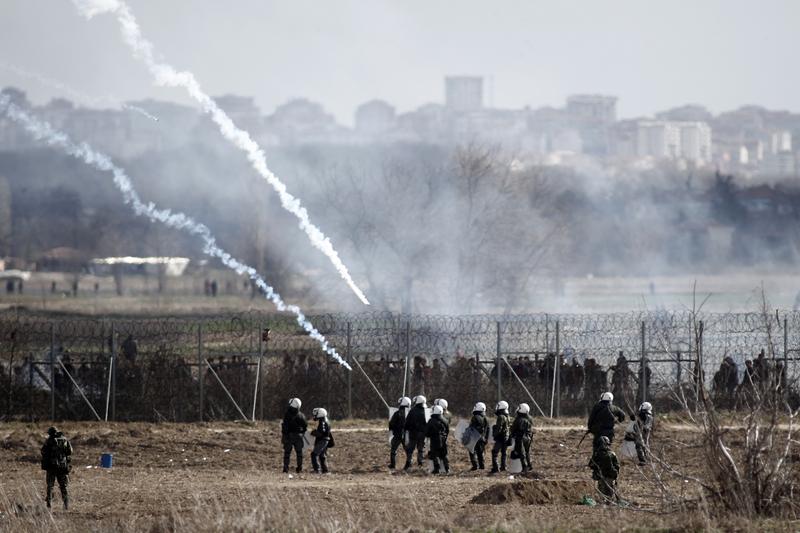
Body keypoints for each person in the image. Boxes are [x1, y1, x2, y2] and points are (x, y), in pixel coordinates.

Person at [41, 426, 72, 510]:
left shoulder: (49, 441)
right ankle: (66, 505)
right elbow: (70, 452)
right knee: (63, 486)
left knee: (50, 486)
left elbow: (43, 451)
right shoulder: (65, 440)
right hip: (62, 466)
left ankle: (49, 504)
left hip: (52, 467)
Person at [588, 435, 620, 502]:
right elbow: (591, 464)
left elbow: (616, 466)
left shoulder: (609, 454)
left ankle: (607, 502)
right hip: (603, 476)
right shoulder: (599, 454)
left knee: (607, 493)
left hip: (608, 476)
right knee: (604, 493)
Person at [281, 398, 307, 473]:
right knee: (299, 453)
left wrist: (284, 434)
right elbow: (305, 426)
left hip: (289, 436)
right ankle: (299, 468)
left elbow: (285, 426)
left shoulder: (287, 414)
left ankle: (286, 469)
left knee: (287, 453)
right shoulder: (301, 415)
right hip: (299, 436)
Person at [403, 395, 428, 470]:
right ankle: (420, 463)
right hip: (423, 434)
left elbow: (407, 423)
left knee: (410, 449)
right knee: (421, 449)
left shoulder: (412, 411)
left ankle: (408, 464)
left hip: (413, 434)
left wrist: (406, 429)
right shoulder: (427, 411)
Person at [425, 405, 449, 474]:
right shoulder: (445, 420)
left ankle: (437, 469)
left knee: (434, 454)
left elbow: (427, 432)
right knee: (444, 455)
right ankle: (447, 468)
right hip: (443, 440)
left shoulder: (431, 421)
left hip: (434, 440)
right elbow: (447, 431)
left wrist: (428, 435)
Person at [388, 397, 411, 470]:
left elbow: (391, 424)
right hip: (407, 435)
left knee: (393, 450)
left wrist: (392, 430)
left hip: (398, 435)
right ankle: (408, 465)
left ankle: (393, 465)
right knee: (408, 451)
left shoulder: (397, 413)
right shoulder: (410, 413)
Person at [510, 403, 533, 472]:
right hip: (528, 437)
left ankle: (524, 466)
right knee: (527, 452)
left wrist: (512, 435)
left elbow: (513, 429)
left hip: (520, 438)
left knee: (521, 453)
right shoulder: (530, 418)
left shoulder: (518, 419)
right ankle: (529, 465)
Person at [490, 400, 511, 474]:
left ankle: (495, 468)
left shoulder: (501, 417)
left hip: (501, 437)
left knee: (494, 452)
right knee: (504, 452)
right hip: (506, 437)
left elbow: (499, 428)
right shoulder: (507, 416)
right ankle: (503, 466)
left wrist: (495, 435)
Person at [468, 402, 489, 471]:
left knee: (472, 452)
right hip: (482, 438)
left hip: (475, 438)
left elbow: (472, 428)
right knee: (480, 452)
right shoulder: (485, 418)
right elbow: (487, 429)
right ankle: (482, 466)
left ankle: (475, 466)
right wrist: (486, 438)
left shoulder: (475, 417)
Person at [310, 407, 331, 474]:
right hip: (325, 440)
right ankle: (325, 470)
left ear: (320, 414)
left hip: (323, 440)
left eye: (316, 414)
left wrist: (314, 432)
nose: (315, 416)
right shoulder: (325, 420)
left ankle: (317, 469)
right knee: (322, 456)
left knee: (314, 454)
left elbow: (322, 433)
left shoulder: (323, 422)